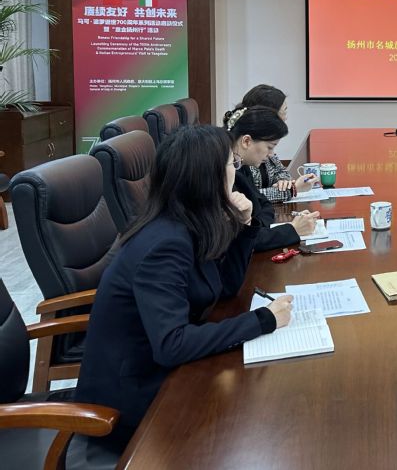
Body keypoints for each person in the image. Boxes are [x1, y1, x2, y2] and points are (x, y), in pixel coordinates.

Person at [74, 125, 294, 449]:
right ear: (208, 178)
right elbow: (172, 344)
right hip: (128, 407)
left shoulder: (187, 222)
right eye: (230, 164)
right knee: (257, 420)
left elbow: (226, 287)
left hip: (162, 374)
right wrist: (263, 320)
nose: (235, 172)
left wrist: (245, 226)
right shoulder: (166, 243)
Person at [226, 105, 320, 250]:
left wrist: (257, 226)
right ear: (246, 141)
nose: (271, 154)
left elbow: (264, 205)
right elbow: (242, 239)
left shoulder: (242, 165)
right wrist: (292, 230)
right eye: (269, 147)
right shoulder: (226, 173)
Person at [227, 85, 317, 203]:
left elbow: (281, 171)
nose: (286, 118)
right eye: (284, 112)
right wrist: (292, 189)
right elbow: (247, 197)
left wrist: (283, 182)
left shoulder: (262, 142)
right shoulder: (242, 153)